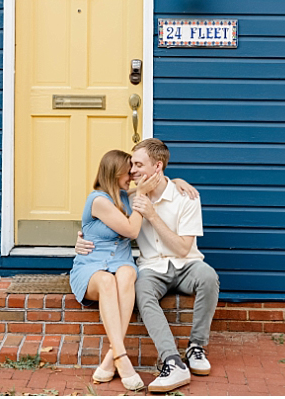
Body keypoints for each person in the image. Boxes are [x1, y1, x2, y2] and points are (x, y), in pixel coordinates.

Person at [76, 138, 219, 394]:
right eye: (131, 166)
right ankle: (172, 361)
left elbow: (183, 249)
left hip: (185, 264)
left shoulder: (186, 197)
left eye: (138, 165)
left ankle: (197, 346)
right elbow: (101, 219)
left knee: (208, 276)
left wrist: (156, 209)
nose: (131, 172)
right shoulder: (129, 196)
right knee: (141, 289)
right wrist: (79, 241)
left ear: (158, 166)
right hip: (152, 267)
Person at [69, 149, 159, 391]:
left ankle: (111, 358)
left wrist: (179, 183)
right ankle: (122, 358)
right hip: (91, 267)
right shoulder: (97, 200)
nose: (131, 175)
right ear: (114, 172)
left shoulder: (125, 196)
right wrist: (140, 196)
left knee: (128, 275)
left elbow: (157, 183)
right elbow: (131, 231)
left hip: (122, 262)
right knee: (108, 283)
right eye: (127, 172)